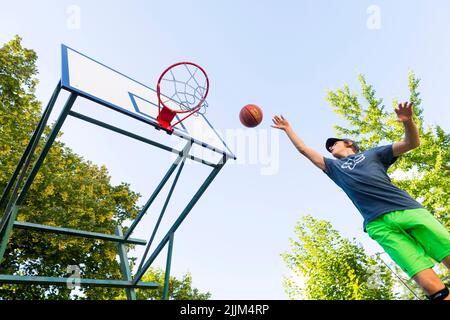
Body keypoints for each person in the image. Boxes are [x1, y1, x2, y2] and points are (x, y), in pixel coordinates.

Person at [272, 102, 450, 300]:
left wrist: (408, 122)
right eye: (329, 147)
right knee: (425, 279)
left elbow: (411, 143)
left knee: (447, 251)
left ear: (349, 143)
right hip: (378, 225)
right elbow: (304, 150)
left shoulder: (372, 154)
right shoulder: (333, 167)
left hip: (407, 209)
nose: (330, 147)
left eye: (334, 143)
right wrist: (288, 129)